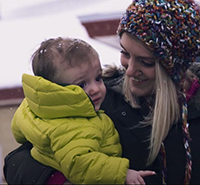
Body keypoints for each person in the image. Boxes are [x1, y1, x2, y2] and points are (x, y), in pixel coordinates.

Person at [4, 0, 200, 184]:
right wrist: (56, 179)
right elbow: (17, 162)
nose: (129, 70)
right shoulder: (100, 97)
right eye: (125, 53)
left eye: (146, 62)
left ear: (175, 67)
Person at [9, 37, 154, 185]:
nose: (96, 89)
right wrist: (123, 173)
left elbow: (20, 133)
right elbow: (80, 164)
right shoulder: (74, 124)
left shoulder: (41, 109)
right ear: (55, 89)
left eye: (98, 78)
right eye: (82, 84)